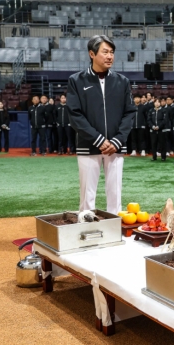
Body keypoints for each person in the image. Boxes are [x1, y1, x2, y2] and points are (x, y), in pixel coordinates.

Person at [66, 34, 136, 214]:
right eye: (105, 52)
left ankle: (114, 231)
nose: (109, 56)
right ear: (92, 54)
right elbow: (75, 115)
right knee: (87, 196)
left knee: (115, 195)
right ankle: (86, 231)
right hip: (88, 145)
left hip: (115, 146)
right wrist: (98, 139)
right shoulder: (76, 80)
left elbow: (129, 113)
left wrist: (117, 141)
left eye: (112, 52)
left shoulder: (122, 82)